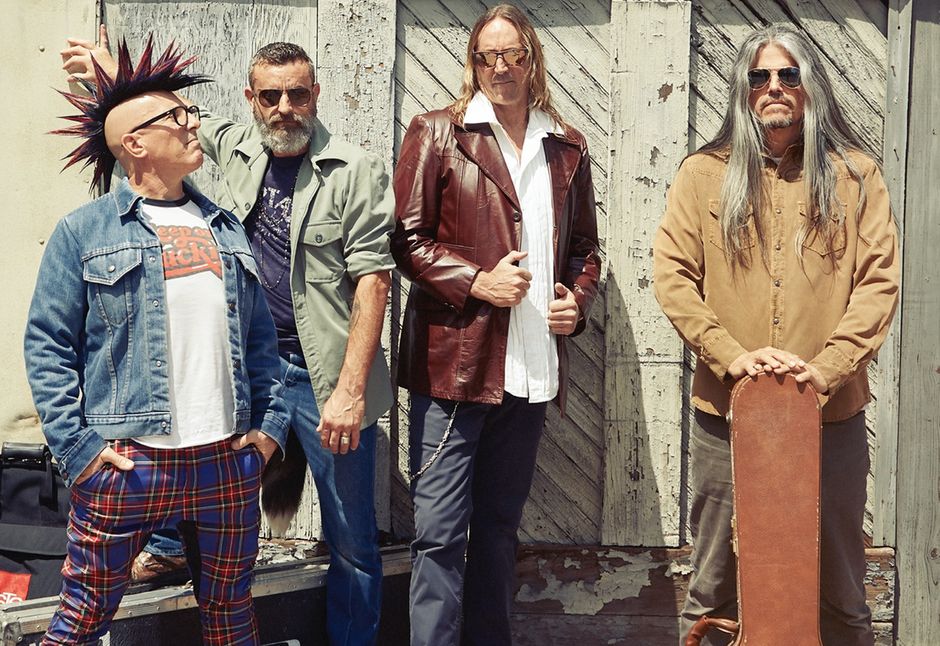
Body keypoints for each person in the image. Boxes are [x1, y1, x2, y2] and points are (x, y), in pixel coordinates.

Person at [62, 30, 395, 644]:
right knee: (205, 477)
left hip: (325, 377)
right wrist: (110, 72)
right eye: (270, 96)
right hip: (251, 373)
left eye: (297, 94)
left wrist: (351, 390)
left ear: (316, 94)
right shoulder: (237, 146)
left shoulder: (356, 170)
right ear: (251, 99)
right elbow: (157, 123)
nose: (284, 108)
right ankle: (170, 547)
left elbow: (374, 280)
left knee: (351, 538)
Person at [25, 37, 288, 645]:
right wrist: (80, 451)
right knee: (80, 619)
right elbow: (47, 344)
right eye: (177, 115)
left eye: (190, 112)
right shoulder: (84, 231)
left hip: (225, 457)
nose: (193, 123)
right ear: (135, 145)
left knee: (232, 618)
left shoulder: (225, 226)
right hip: (129, 461)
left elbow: (260, 342)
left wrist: (268, 433)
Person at [652, 24, 899, 646]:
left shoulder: (856, 176)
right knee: (714, 582)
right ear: (743, 89)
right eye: (759, 76)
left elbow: (879, 283)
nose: (774, 87)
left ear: (810, 85)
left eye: (788, 74)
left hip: (831, 417)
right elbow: (673, 276)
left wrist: (828, 367)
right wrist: (732, 358)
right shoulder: (704, 175)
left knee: (840, 583)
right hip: (726, 416)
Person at [391, 5, 600, 645]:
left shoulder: (566, 146)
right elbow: (405, 240)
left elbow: (585, 250)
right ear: (473, 64)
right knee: (439, 535)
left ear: (533, 60)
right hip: (457, 371)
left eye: (514, 55)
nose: (501, 68)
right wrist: (476, 281)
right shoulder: (438, 133)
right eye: (488, 56)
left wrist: (576, 302)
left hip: (532, 373)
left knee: (499, 531)